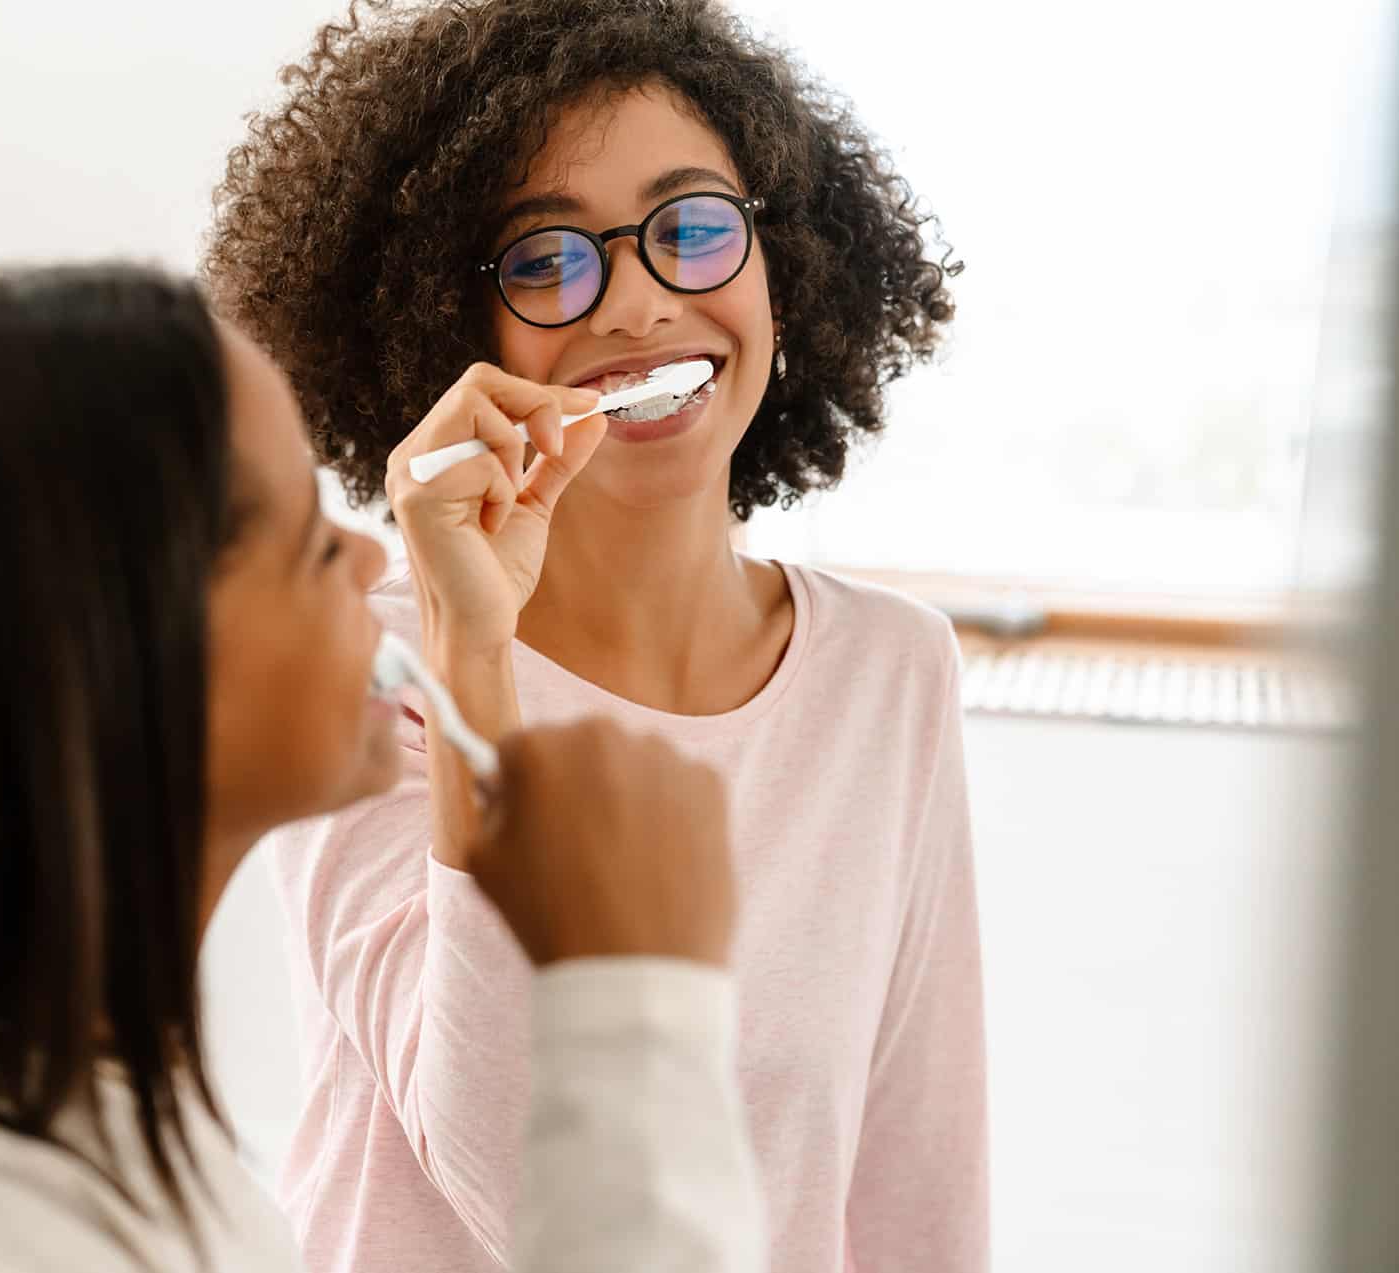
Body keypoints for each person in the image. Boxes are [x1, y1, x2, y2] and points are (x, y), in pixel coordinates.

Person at [0, 265, 759, 1272]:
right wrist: (635, 1001)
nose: (373, 554)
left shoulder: (134, 1155)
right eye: (310, 540)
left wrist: (475, 642)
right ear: (94, 648)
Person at [202, 2, 988, 1270]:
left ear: (780, 264)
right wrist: (473, 641)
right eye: (549, 257)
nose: (636, 305)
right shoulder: (369, 666)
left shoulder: (891, 670)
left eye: (690, 229)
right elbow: (515, 1183)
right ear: (446, 328)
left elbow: (915, 1192)